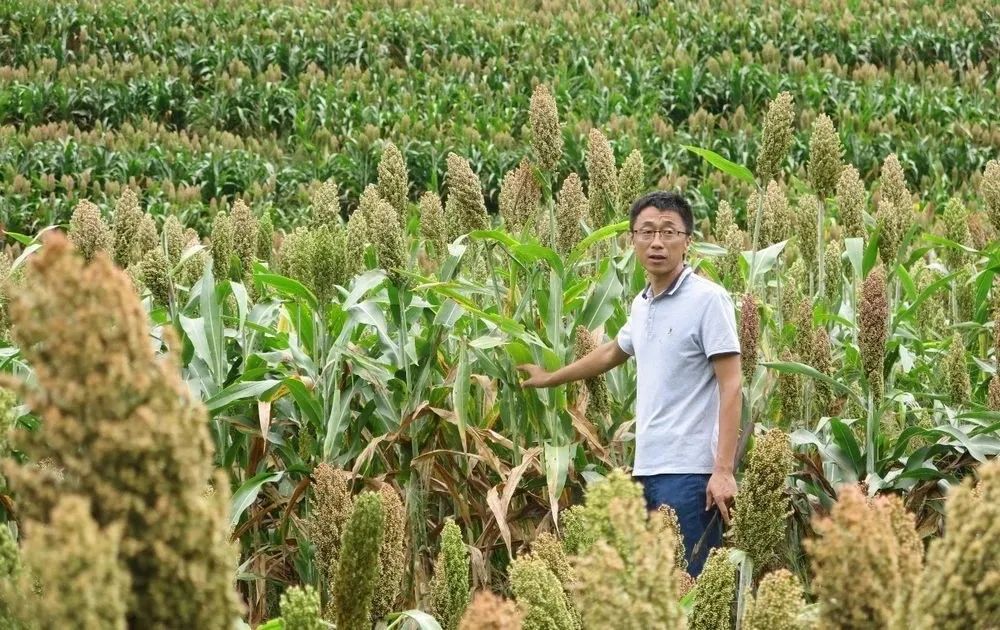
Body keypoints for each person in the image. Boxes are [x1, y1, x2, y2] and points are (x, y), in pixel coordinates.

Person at [517, 191, 742, 576]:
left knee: (690, 583)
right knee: (654, 583)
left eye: (669, 232)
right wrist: (550, 378)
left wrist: (722, 470)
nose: (657, 242)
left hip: (691, 473)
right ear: (632, 238)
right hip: (647, 469)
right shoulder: (643, 304)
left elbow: (733, 383)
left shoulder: (708, 300)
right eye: (647, 231)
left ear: (688, 241)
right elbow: (610, 353)